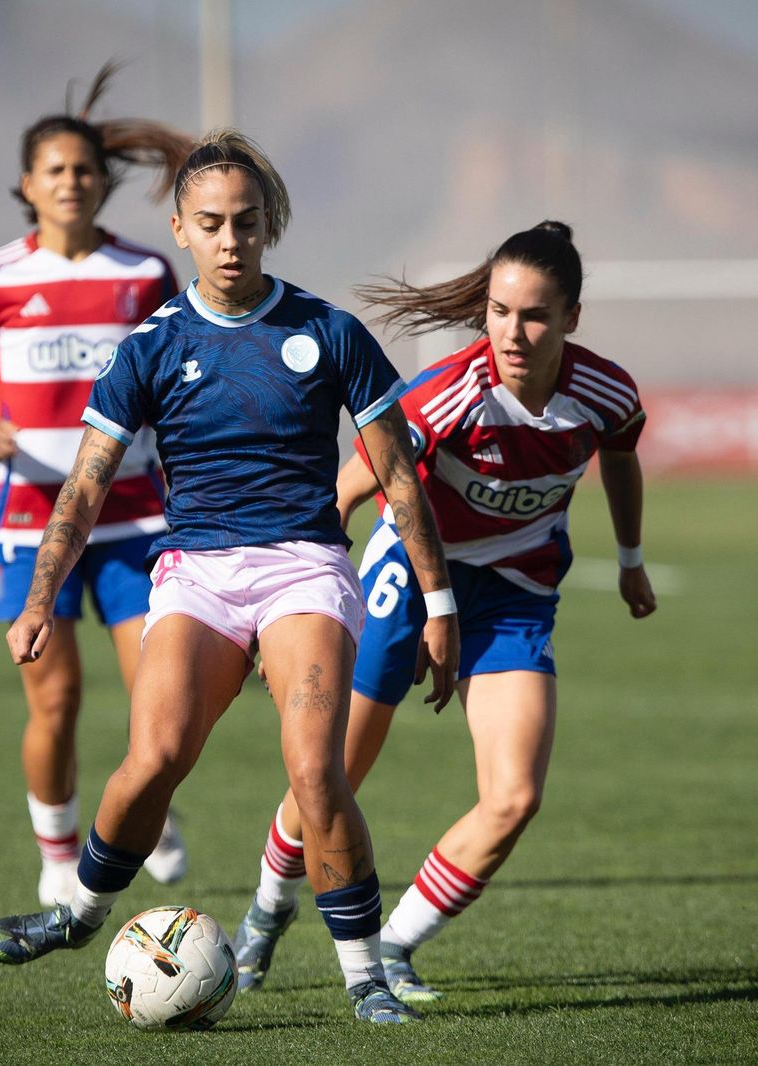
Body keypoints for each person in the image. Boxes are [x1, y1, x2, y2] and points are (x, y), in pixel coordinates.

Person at [0, 129, 460, 1025]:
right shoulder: (150, 348)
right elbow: (84, 488)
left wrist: (438, 604)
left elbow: (397, 476)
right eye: (212, 223)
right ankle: (79, 915)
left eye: (246, 221)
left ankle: (365, 977)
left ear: (269, 225)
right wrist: (41, 598)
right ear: (181, 230)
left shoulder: (330, 331)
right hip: (195, 572)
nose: (231, 239)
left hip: (303, 568)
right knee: (153, 760)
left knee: (316, 772)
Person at [229, 221, 657, 1003]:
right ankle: (265, 911)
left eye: (533, 314)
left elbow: (621, 460)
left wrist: (631, 559)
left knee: (514, 798)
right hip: (409, 575)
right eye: (498, 311)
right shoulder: (450, 393)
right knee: (330, 773)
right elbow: (353, 485)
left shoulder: (607, 395)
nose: (513, 332)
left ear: (571, 318)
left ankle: (393, 946)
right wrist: (301, 589)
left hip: (515, 593)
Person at [0, 65, 194, 907]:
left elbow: (181, 381)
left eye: (84, 169)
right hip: (30, 524)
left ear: (100, 181)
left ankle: (147, 807)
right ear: (27, 184)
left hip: (137, 519)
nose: (72, 182)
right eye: (55, 170)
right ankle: (56, 853)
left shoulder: (147, 275)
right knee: (59, 700)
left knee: (159, 692)